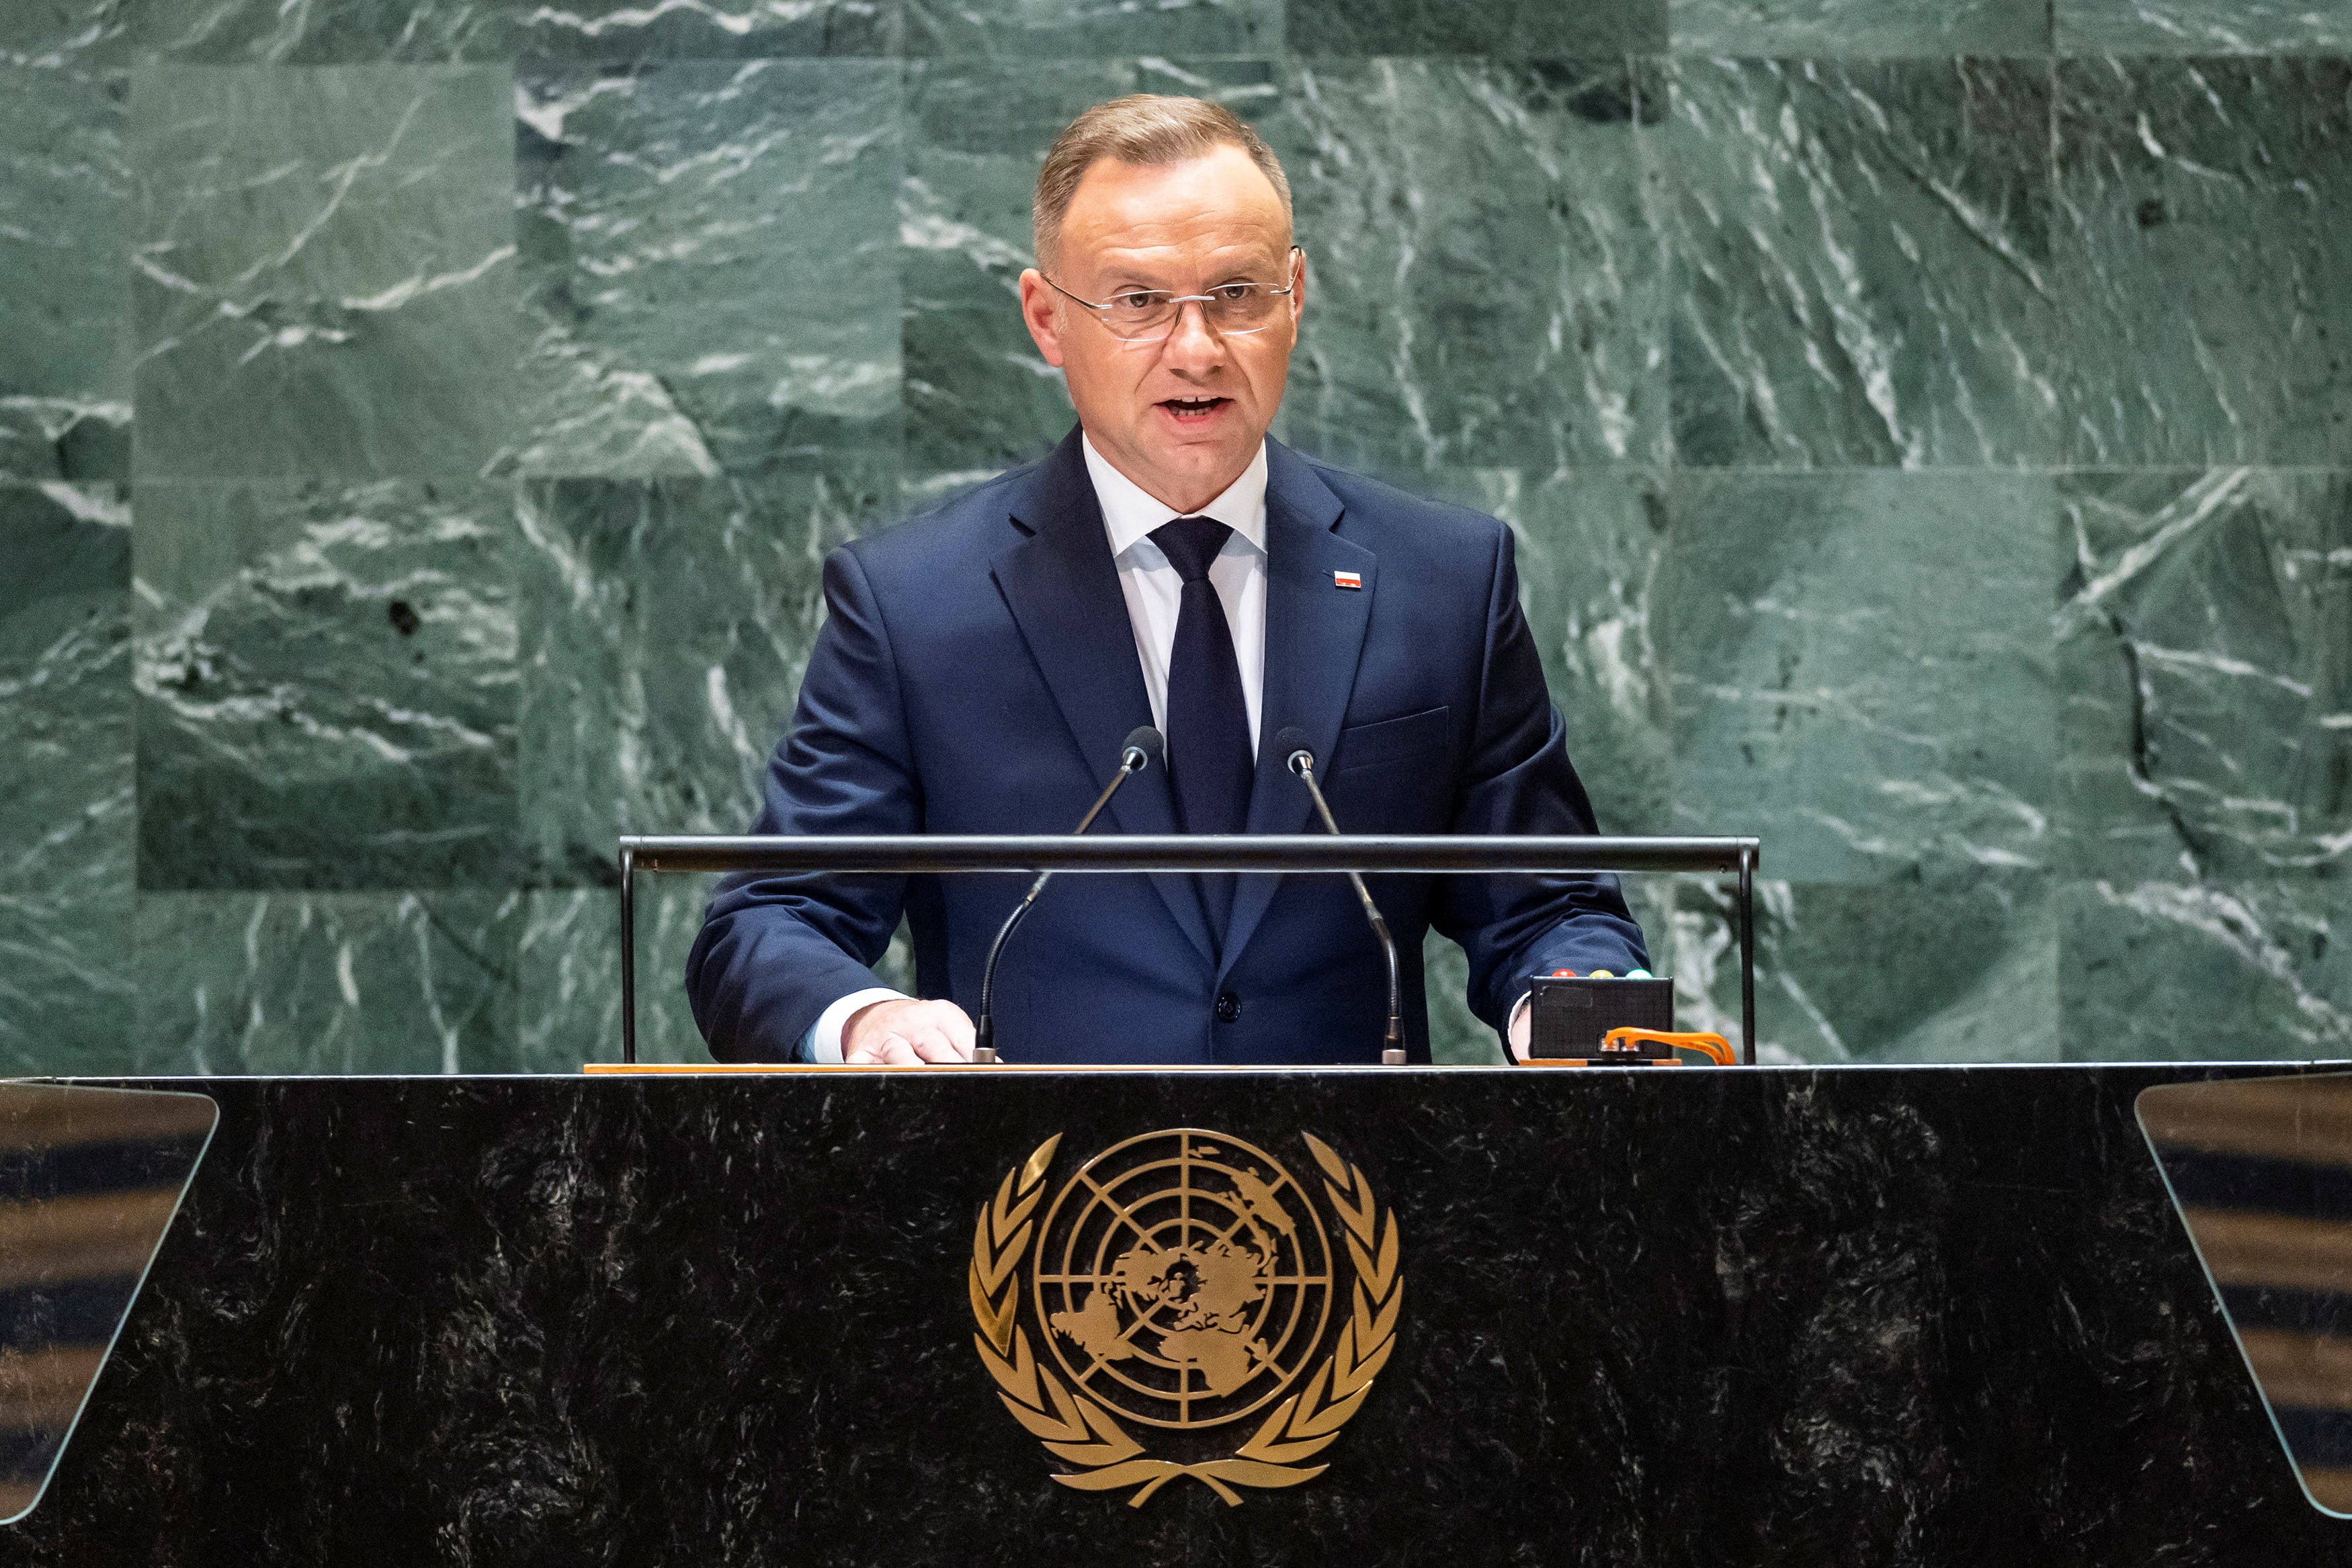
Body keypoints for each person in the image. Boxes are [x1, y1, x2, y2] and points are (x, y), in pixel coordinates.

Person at [686, 95, 1647, 1067]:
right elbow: (771, 922)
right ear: (1047, 319)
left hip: (1351, 1205)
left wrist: (1578, 1019)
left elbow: (1551, 911)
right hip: (1038, 1203)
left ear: (1296, 296)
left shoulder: (1445, 582)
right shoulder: (913, 604)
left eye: (1237, 293)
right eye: (1140, 302)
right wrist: (865, 1019)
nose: (1196, 348)